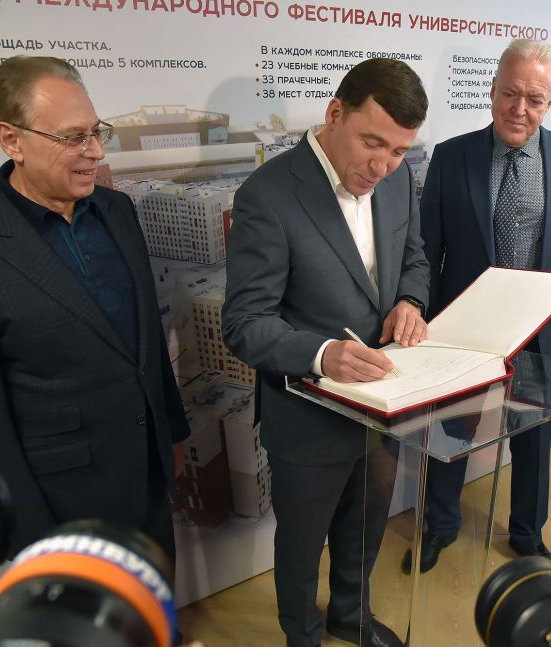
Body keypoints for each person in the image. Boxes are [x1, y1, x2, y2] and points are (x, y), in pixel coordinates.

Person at [0, 56, 190, 563]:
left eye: (96, 132)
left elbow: (146, 338)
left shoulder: (118, 212)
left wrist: (171, 433)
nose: (96, 151)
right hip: (63, 507)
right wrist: (32, 539)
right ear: (11, 140)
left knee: (154, 602)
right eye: (73, 138)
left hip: (148, 477)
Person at [222, 58, 429, 647]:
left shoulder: (399, 180)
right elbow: (244, 324)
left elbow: (414, 258)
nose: (382, 167)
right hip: (307, 416)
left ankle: (349, 617)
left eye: (398, 151)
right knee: (302, 544)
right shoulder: (267, 195)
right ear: (335, 113)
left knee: (365, 528)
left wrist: (410, 300)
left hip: (384, 401)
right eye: (372, 144)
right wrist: (321, 355)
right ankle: (303, 634)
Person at [412, 38, 551, 569]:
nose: (520, 108)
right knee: (451, 430)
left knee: (533, 437)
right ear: (492, 89)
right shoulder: (453, 156)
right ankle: (439, 525)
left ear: (550, 103)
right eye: (510, 93)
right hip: (464, 330)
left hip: (543, 329)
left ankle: (526, 535)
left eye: (535, 99)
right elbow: (426, 250)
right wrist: (422, 322)